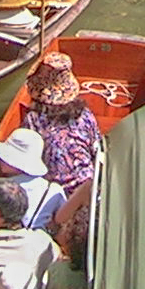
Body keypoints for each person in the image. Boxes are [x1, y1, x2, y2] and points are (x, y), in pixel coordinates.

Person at [22, 52, 102, 193]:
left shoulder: (33, 120)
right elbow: (97, 149)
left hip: (56, 194)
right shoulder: (85, 114)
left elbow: (26, 161)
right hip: (89, 187)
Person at [0, 128, 65, 230]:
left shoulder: (1, 189)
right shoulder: (54, 190)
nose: (1, 159)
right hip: (42, 243)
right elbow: (64, 223)